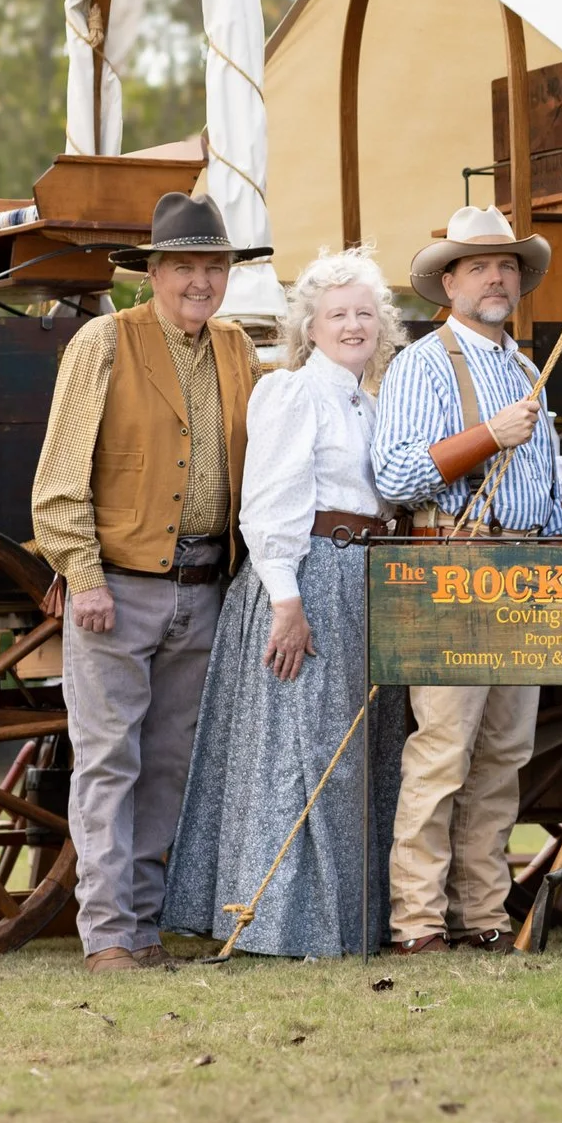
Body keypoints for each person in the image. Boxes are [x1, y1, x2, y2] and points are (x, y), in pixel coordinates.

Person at [32, 191, 267, 974]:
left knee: (171, 763)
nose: (201, 281)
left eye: (214, 266)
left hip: (205, 589)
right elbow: (60, 477)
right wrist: (83, 574)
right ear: (154, 273)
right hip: (115, 591)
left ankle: (145, 928)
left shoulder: (238, 349)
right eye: (186, 267)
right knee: (107, 763)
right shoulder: (105, 341)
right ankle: (106, 936)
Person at [164, 246, 410, 958]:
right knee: (297, 751)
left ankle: (349, 923)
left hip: (366, 579)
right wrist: (285, 600)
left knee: (355, 753)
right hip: (306, 573)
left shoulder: (373, 400)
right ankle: (276, 924)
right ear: (311, 326)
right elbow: (270, 502)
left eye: (365, 312)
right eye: (338, 314)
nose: (354, 324)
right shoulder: (292, 392)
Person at [370, 206, 562, 955]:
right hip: (453, 563)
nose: (496, 276)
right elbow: (393, 472)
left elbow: (544, 494)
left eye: (508, 264)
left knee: (504, 754)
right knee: (443, 750)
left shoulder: (525, 368)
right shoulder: (422, 362)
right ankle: (417, 923)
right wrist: (488, 436)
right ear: (447, 281)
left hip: (524, 569)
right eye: (479, 265)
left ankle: (483, 916)